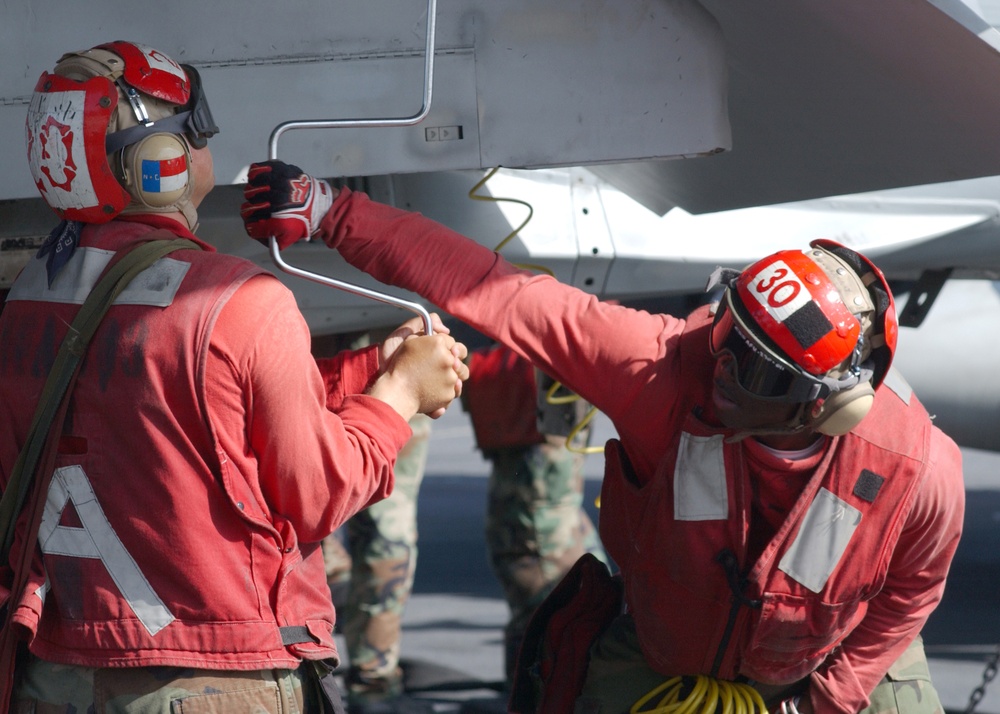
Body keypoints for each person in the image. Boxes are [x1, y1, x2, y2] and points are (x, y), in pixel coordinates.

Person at [241, 160, 966, 713]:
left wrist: (827, 700)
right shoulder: (658, 369)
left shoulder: (918, 469)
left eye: (758, 372)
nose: (721, 370)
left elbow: (908, 596)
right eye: (730, 335)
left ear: (827, 407)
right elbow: (498, 291)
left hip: (835, 661)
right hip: (667, 653)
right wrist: (334, 210)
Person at [0, 43, 468, 713]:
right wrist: (397, 399)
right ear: (156, 162)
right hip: (208, 675)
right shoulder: (240, 299)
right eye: (194, 136)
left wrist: (369, 369)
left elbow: (176, 406)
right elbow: (316, 493)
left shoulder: (27, 301)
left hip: (55, 673)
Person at [464, 342, 608, 683]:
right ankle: (538, 691)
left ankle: (540, 691)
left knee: (553, 572)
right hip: (535, 435)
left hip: (540, 434)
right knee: (550, 581)